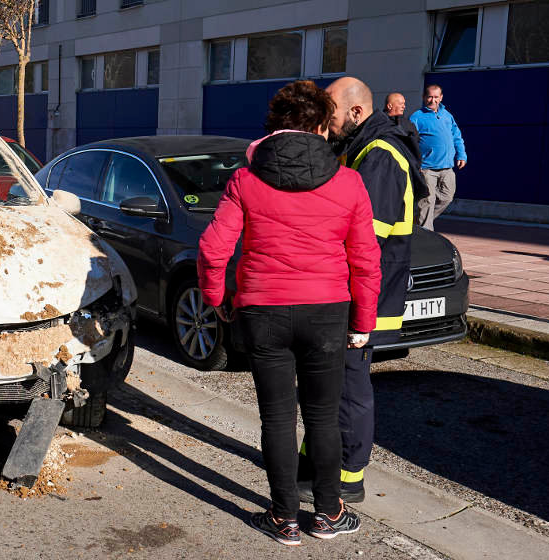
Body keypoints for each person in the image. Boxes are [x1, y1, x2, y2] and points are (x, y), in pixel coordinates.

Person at [198, 80, 381, 546]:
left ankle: (283, 518)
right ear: (322, 125)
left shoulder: (245, 178)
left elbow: (213, 249)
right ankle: (328, 513)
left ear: (275, 126)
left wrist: (218, 298)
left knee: (276, 418)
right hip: (326, 312)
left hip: (263, 310)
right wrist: (363, 324)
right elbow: (365, 261)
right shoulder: (348, 181)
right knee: (322, 417)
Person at [296, 77, 419, 506]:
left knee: (349, 386)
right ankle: (314, 463)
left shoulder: (381, 157)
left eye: (330, 117)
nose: (327, 128)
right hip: (350, 292)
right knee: (328, 384)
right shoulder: (361, 149)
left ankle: (348, 477)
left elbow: (365, 237)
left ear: (355, 112)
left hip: (366, 296)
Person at [409, 84, 466, 230]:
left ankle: (419, 222)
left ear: (441, 98)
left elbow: (456, 136)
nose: (432, 100)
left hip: (447, 167)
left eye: (436, 97)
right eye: (429, 97)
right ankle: (425, 233)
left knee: (447, 197)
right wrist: (415, 164)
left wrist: (461, 154)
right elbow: (410, 141)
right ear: (424, 97)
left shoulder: (447, 115)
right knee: (427, 201)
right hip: (427, 168)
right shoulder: (417, 117)